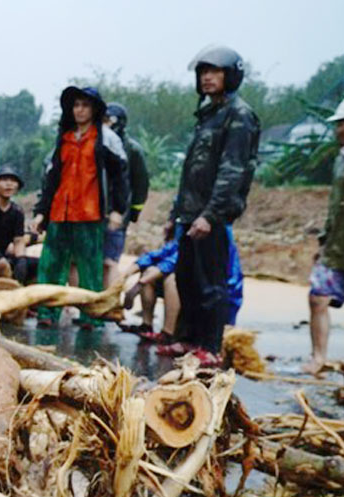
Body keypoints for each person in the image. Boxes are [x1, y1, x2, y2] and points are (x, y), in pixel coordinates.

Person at [165, 44, 260, 367]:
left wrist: (210, 215)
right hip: (190, 213)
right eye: (203, 72)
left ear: (230, 75)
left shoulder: (239, 115)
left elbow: (231, 171)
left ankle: (210, 346)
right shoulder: (207, 115)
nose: (207, 78)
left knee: (211, 284)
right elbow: (191, 171)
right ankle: (188, 339)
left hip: (212, 216)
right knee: (186, 277)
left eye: (215, 72)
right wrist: (174, 215)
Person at [31, 86, 130, 327]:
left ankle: (91, 316)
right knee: (51, 265)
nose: (80, 110)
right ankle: (47, 314)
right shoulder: (63, 138)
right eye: (76, 105)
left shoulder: (106, 138)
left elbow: (120, 177)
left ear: (95, 109)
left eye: (85, 105)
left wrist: (118, 210)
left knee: (90, 267)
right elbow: (52, 178)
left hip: (90, 213)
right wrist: (41, 212)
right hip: (59, 212)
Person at [305, 93, 344, 374]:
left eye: (342, 124)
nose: (337, 130)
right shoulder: (341, 160)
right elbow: (335, 204)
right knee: (318, 297)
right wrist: (325, 241)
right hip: (339, 248)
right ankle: (318, 357)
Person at [104, 103, 150, 291]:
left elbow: (141, 184)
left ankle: (111, 304)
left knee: (110, 261)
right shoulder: (97, 143)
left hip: (118, 212)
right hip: (94, 212)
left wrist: (133, 211)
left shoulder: (132, 149)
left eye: (109, 120)